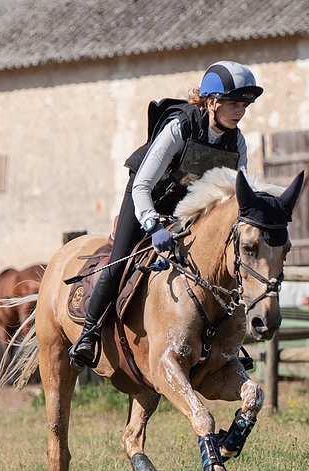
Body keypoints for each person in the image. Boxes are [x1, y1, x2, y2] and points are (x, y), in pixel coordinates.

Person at [69, 61, 263, 369]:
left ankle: (225, 344)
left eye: (244, 105)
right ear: (212, 102)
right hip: (145, 199)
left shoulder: (236, 142)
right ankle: (89, 333)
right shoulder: (180, 126)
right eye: (233, 103)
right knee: (119, 260)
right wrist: (152, 224)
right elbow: (143, 184)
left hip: (186, 209)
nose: (240, 111)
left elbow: (232, 197)